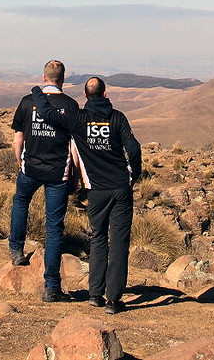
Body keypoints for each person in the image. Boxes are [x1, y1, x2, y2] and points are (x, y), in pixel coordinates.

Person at [31, 76, 141, 315]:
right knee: (119, 243)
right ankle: (113, 300)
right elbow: (133, 148)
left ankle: (95, 294)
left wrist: (37, 93)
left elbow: (48, 114)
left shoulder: (79, 119)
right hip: (121, 188)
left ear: (85, 95)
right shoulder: (117, 118)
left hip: (97, 190)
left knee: (98, 238)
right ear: (104, 94)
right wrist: (135, 174)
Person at [9, 60, 80, 302]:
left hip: (30, 168)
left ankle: (16, 250)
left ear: (44, 77)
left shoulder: (28, 102)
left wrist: (19, 159)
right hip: (58, 173)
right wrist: (77, 175)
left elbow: (18, 135)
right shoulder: (70, 106)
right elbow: (74, 144)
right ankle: (51, 287)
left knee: (20, 202)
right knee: (54, 228)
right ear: (63, 79)